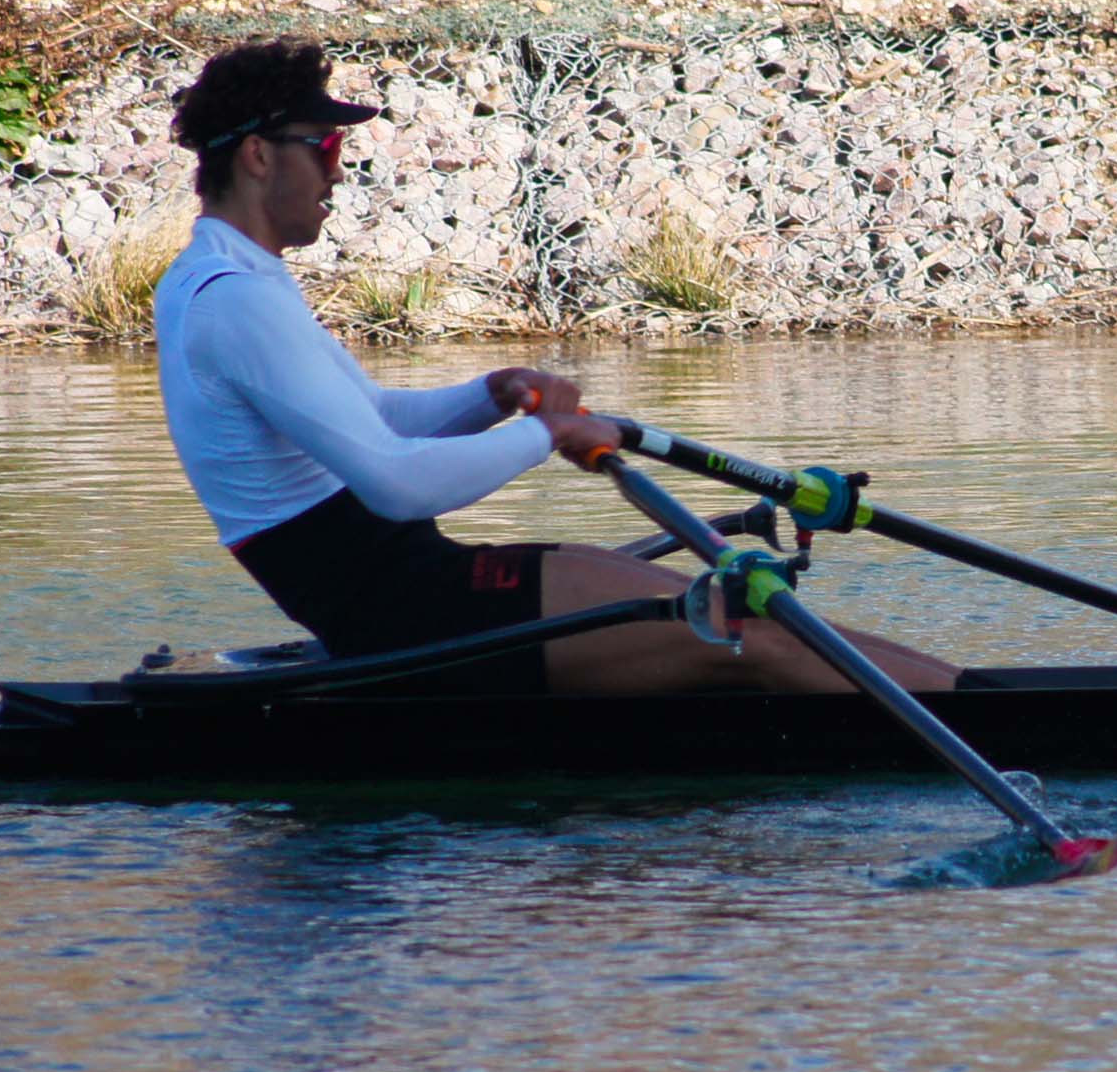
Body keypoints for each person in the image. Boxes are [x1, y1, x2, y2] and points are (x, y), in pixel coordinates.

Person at [153, 38, 957, 696]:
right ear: (258, 157)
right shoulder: (235, 301)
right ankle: (1002, 722)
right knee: (744, 625)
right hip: (403, 615)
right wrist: (548, 433)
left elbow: (372, 421)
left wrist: (489, 397)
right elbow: (395, 483)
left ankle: (975, 694)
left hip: (413, 586)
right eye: (324, 146)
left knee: (745, 607)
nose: (337, 171)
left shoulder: (223, 278)